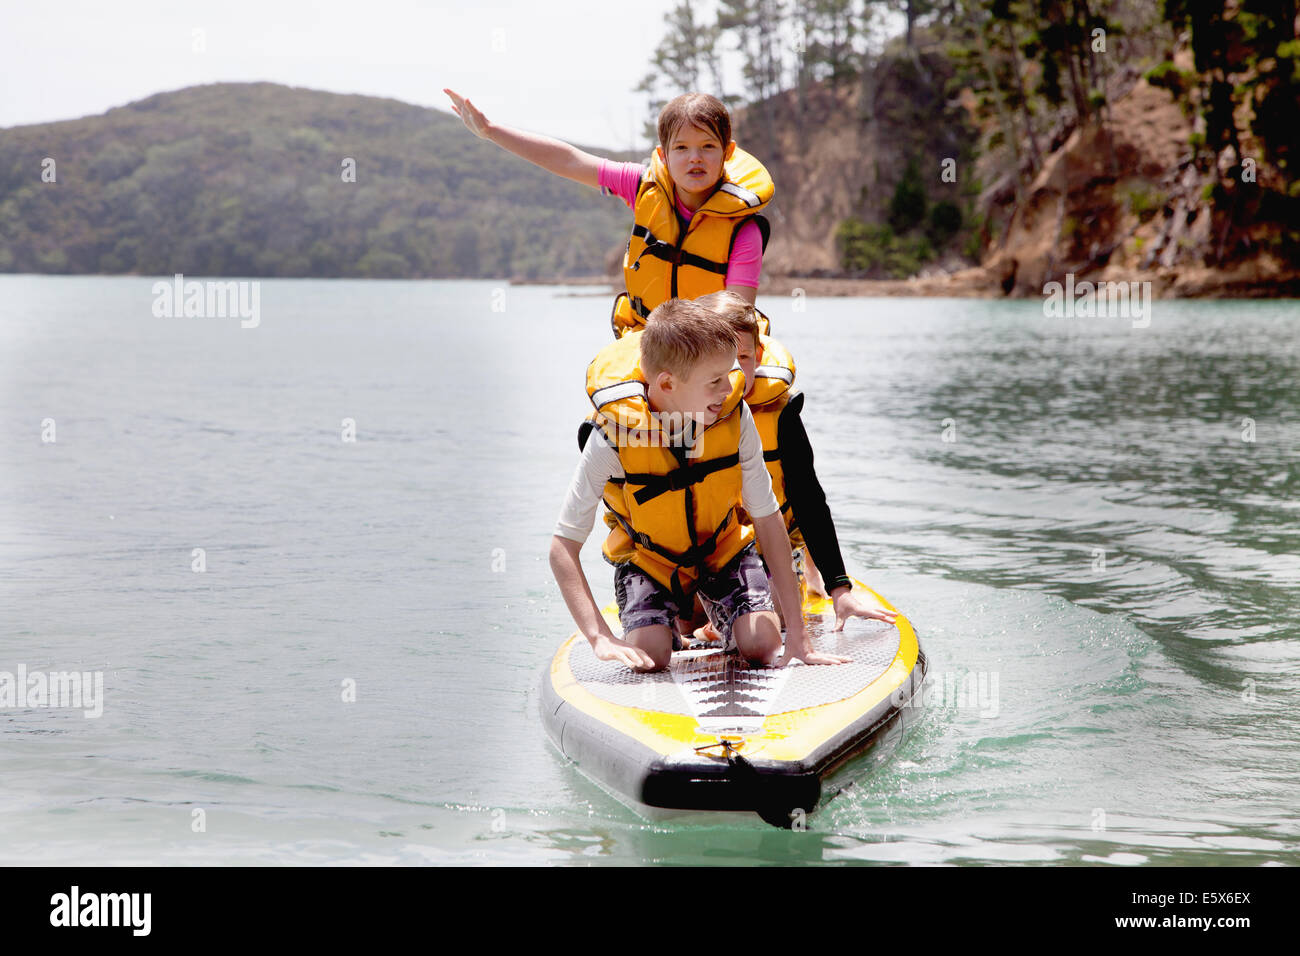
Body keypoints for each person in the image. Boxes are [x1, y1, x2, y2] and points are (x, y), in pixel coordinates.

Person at [549, 299, 851, 672]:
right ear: (667, 383)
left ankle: (713, 620)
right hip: (651, 562)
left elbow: (768, 520)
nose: (730, 388)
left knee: (762, 644)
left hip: (724, 551)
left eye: (729, 373)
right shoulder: (612, 435)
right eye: (716, 380)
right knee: (651, 656)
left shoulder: (734, 416)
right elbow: (562, 547)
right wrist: (598, 636)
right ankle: (669, 624)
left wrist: (800, 636)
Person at [443, 88, 774, 338]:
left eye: (708, 147)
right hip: (650, 342)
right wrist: (491, 131)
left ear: (728, 152)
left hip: (711, 350)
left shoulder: (743, 228)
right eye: (682, 148)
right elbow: (570, 160)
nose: (695, 159)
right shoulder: (641, 186)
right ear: (664, 154)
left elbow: (736, 317)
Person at [695, 290, 899, 634]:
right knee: (686, 618)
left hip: (767, 553)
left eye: (741, 358)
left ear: (758, 356)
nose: (730, 375)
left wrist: (840, 589)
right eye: (716, 363)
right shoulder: (680, 414)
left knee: (778, 617)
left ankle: (810, 573)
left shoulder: (781, 416)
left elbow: (809, 499)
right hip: (708, 555)